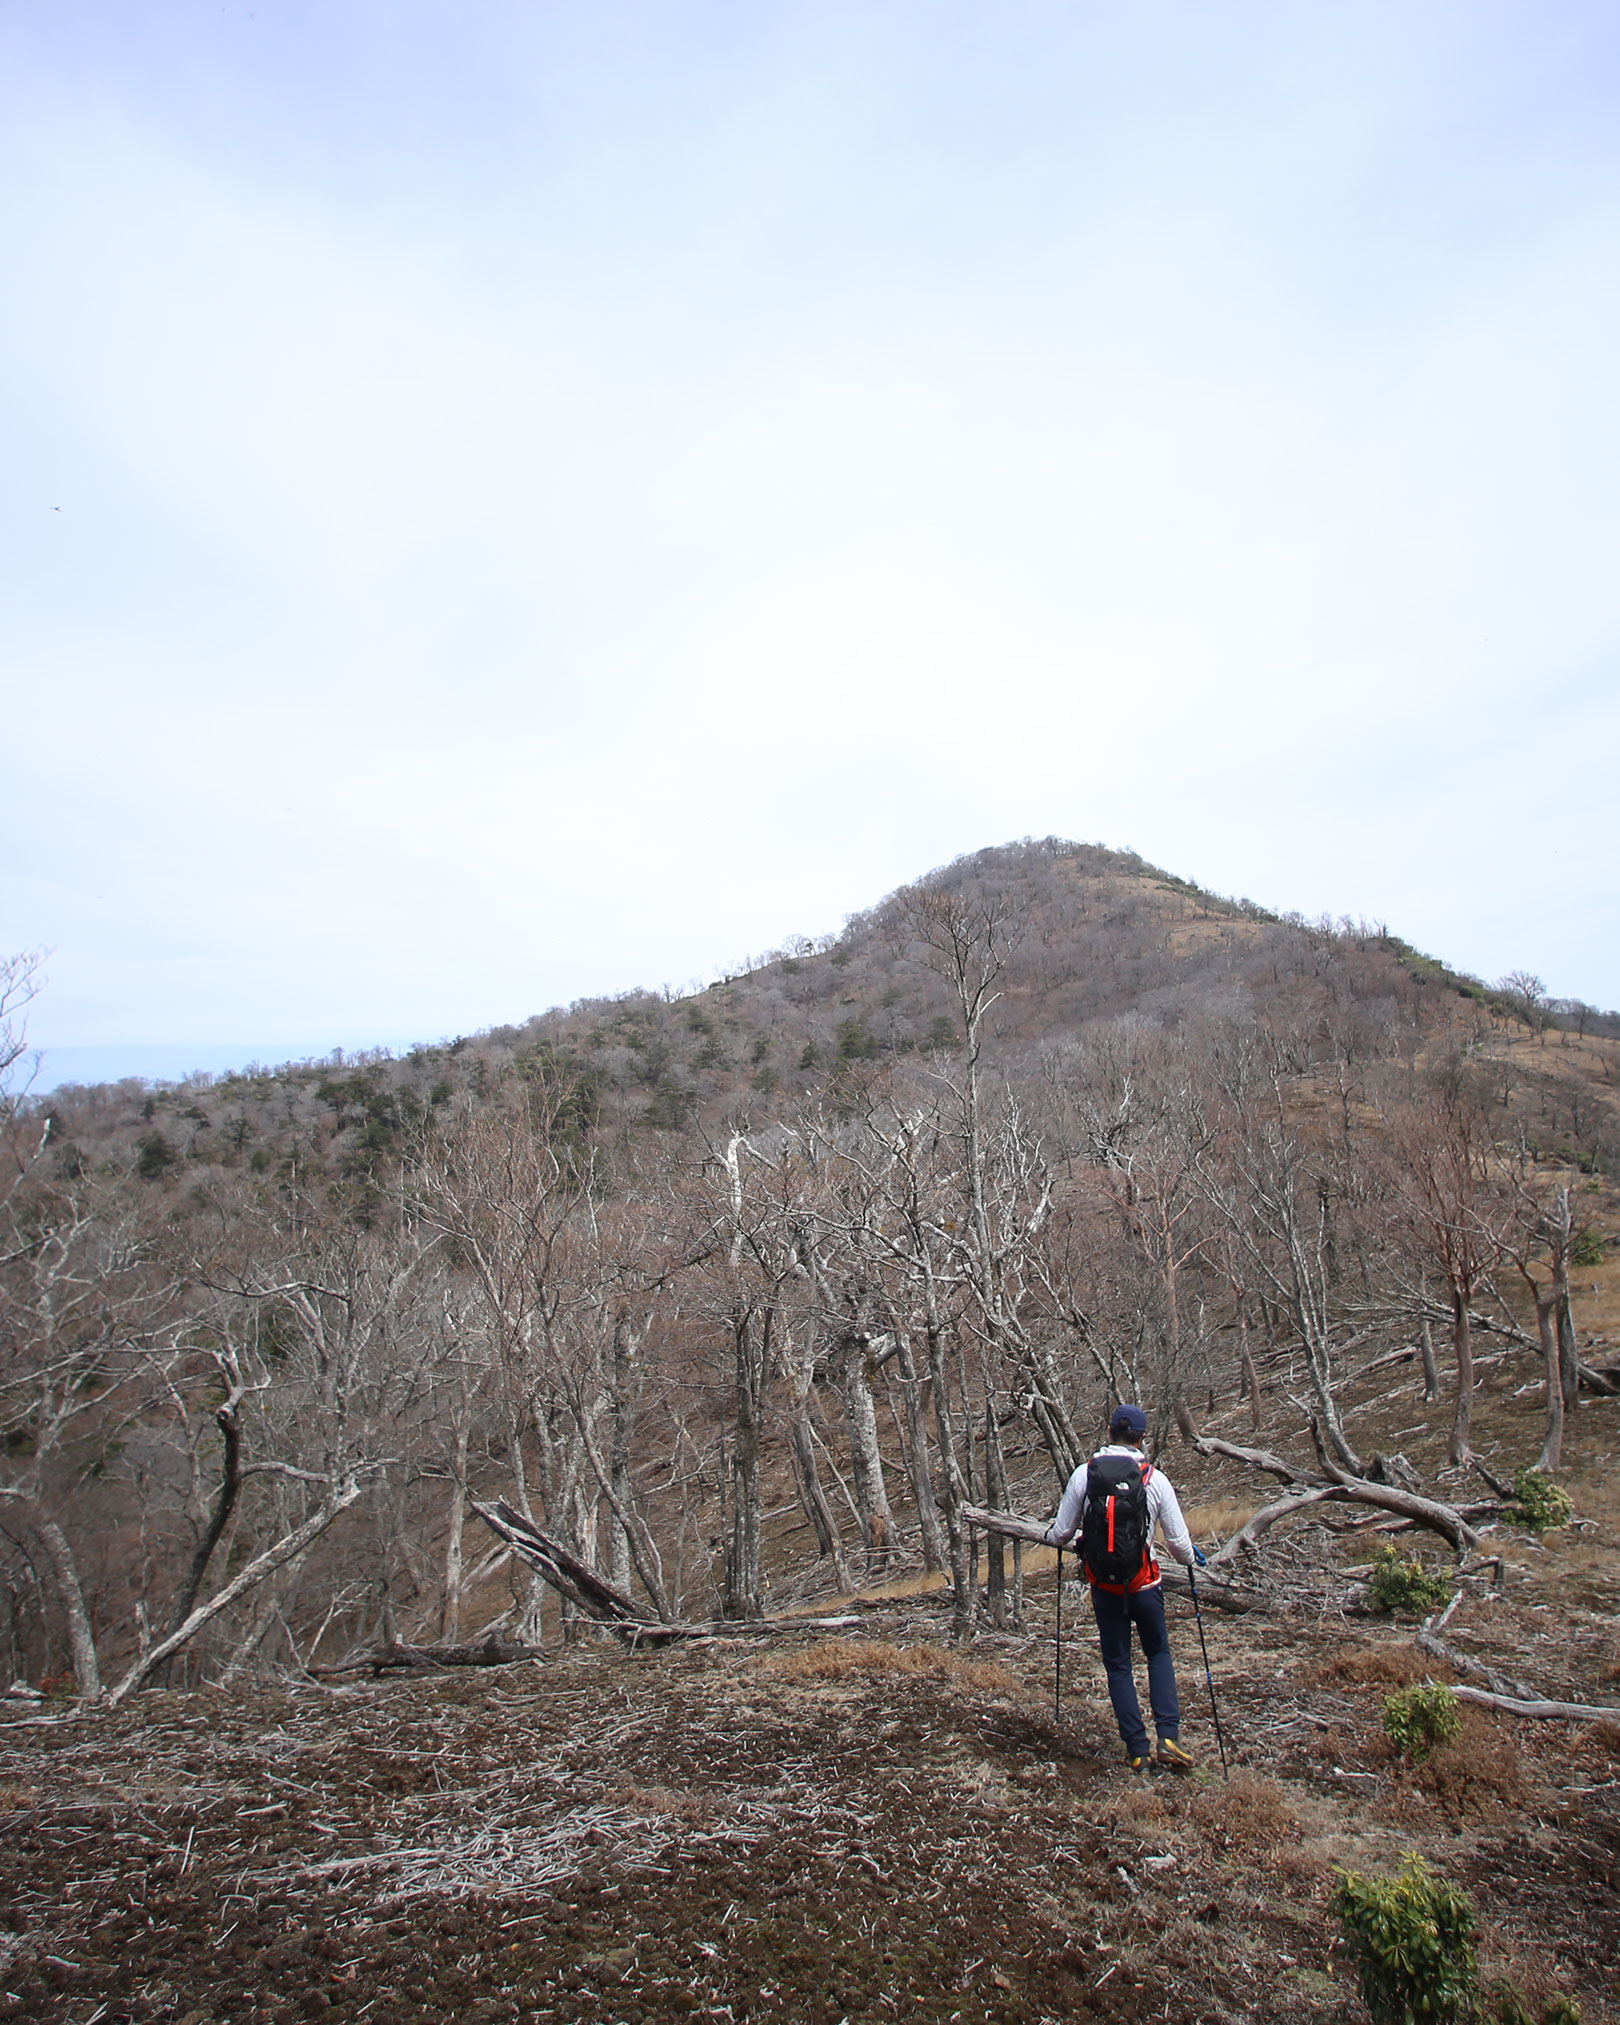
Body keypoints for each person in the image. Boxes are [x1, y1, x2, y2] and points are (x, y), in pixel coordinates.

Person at [1045, 1403, 1208, 1773]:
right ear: (1142, 1438)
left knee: (1118, 1665)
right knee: (1158, 1654)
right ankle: (1168, 1737)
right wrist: (1193, 1558)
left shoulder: (1084, 1475)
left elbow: (1062, 1533)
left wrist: (1051, 1536)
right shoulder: (1155, 1479)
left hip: (1104, 1586)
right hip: (1145, 1583)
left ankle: (1137, 1750)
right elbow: (1180, 1546)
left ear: (1108, 1431)